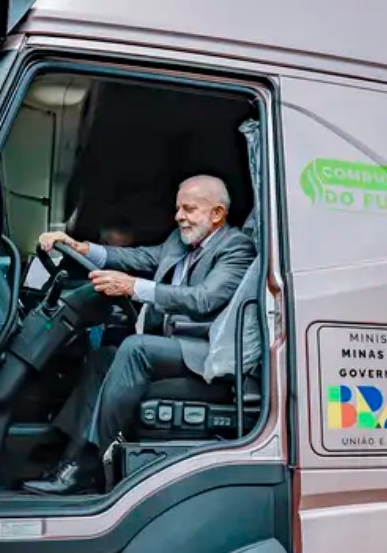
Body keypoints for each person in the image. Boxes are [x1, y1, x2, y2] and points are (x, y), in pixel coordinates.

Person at [24, 174, 256, 496]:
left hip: (207, 349)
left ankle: (88, 464)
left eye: (188, 209)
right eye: (178, 209)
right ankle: (66, 447)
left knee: (135, 349)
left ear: (216, 214)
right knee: (104, 355)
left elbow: (205, 299)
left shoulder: (236, 247)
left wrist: (135, 287)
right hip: (174, 342)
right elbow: (137, 258)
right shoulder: (179, 241)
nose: (179, 217)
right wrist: (83, 248)